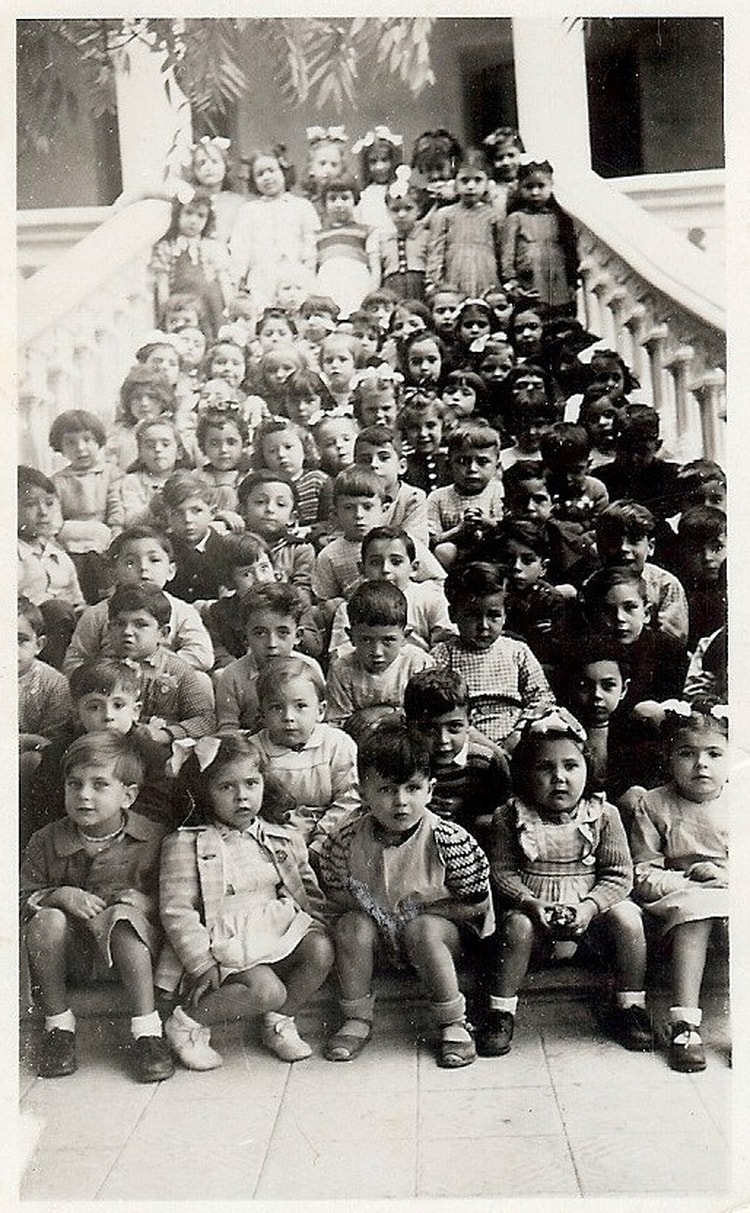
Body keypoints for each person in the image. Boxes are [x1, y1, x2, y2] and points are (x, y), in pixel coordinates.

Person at [478, 707, 651, 1057]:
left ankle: (631, 1006)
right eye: (545, 767)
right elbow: (502, 873)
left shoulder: (603, 815)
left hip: (590, 926)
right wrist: (530, 903)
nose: (559, 777)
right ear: (525, 774)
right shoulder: (510, 816)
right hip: (537, 926)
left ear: (587, 768)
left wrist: (589, 907)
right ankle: (501, 1012)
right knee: (516, 926)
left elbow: (619, 875)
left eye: (571, 766)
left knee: (628, 917)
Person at [319, 719, 493, 1067]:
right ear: (363, 791)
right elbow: (334, 890)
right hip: (381, 931)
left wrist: (421, 908)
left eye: (412, 788)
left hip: (442, 932)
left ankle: (453, 1021)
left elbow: (477, 904)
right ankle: (357, 1015)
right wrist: (368, 908)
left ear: (430, 789)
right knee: (351, 926)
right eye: (386, 790)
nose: (400, 802)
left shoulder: (448, 840)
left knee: (423, 930)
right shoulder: (345, 839)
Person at [156, 734, 333, 1069]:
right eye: (226, 787)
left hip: (274, 927)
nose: (242, 796)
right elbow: (177, 910)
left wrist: (318, 917)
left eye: (251, 783)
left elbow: (304, 886)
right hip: (225, 938)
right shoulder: (186, 843)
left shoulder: (282, 835)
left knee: (320, 949)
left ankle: (278, 1023)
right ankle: (186, 1024)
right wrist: (201, 962)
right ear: (203, 793)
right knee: (267, 991)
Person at [21, 733, 174, 1082]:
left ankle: (148, 1031)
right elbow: (15, 900)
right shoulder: (44, 841)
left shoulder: (153, 839)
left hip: (132, 956)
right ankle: (59, 1027)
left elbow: (180, 899)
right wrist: (57, 895)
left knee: (122, 918)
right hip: (71, 957)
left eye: (100, 785)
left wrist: (148, 903)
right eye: (74, 784)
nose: (84, 795)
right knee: (47, 920)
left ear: (128, 795)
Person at [624, 699, 729, 1072]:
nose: (701, 764)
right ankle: (685, 1023)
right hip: (679, 897)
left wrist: (726, 877)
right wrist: (688, 882)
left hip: (730, 891)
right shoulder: (654, 804)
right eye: (687, 753)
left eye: (714, 754)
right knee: (697, 912)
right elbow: (642, 872)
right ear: (669, 758)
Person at [432, 561, 555, 749]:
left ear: (505, 614)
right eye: (472, 615)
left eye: (494, 615)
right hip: (468, 740)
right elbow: (440, 707)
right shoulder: (443, 655)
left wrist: (519, 732)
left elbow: (541, 697)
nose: (484, 625)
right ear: (453, 614)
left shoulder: (517, 651)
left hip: (517, 737)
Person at [248, 657, 361, 858]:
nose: (288, 717)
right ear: (262, 714)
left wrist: (322, 837)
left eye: (300, 706)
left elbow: (349, 798)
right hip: (274, 832)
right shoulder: (254, 749)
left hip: (329, 830)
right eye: (276, 707)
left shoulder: (337, 744)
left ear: (320, 711)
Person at [64, 525, 214, 674]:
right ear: (113, 573)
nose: (143, 568)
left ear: (171, 571)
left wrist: (152, 667)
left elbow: (202, 654)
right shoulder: (97, 613)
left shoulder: (182, 611)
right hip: (113, 687)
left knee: (200, 679)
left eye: (154, 560)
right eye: (130, 562)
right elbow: (75, 661)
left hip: (162, 684)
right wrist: (110, 672)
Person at [403, 667, 511, 842]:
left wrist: (466, 810)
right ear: (407, 725)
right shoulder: (402, 762)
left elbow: (505, 812)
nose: (443, 740)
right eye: (428, 729)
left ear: (470, 721)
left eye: (454, 727)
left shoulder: (486, 762)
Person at [215, 583, 323, 734]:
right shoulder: (232, 676)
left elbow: (318, 720)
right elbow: (227, 730)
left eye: (283, 633)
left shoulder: (309, 668)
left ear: (298, 636)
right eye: (260, 633)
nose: (271, 644)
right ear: (245, 637)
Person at [325, 581, 434, 726]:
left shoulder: (418, 663)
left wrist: (384, 713)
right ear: (350, 637)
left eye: (388, 640)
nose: (377, 652)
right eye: (366, 639)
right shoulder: (342, 669)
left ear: (405, 637)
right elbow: (337, 722)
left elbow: (430, 712)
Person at [229, 145, 319, 313]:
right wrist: (238, 279)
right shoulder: (248, 210)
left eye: (271, 170)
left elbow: (310, 244)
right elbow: (240, 248)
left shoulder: (301, 206)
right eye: (260, 174)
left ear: (284, 172)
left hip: (295, 278)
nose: (267, 177)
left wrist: (308, 275)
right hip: (261, 277)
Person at [49, 408, 123, 602]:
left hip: (102, 535)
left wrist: (116, 529)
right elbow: (55, 518)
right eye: (71, 442)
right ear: (60, 447)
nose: (80, 448)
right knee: (74, 563)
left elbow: (115, 505)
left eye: (87, 440)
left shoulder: (109, 473)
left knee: (101, 559)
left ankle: (106, 599)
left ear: (98, 441)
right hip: (70, 536)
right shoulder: (57, 480)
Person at [593, 500, 689, 643]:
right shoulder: (593, 584)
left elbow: (672, 639)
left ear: (650, 547)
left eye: (634, 540)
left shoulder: (665, 585)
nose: (623, 548)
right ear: (599, 547)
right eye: (614, 541)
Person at [18, 466, 85, 669]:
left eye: (49, 503)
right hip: (26, 636)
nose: (43, 512)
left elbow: (77, 602)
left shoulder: (58, 556)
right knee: (56, 609)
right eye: (30, 505)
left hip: (65, 630)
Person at [500, 158, 579, 315]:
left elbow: (570, 251)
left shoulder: (559, 218)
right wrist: (512, 284)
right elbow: (506, 255)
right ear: (519, 188)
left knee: (559, 315)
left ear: (550, 186)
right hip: (529, 281)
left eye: (541, 186)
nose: (535, 192)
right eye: (529, 187)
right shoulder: (516, 218)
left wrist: (572, 283)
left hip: (557, 280)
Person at [150, 190, 231, 337]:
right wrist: (164, 315)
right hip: (181, 308)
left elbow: (224, 282)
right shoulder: (168, 247)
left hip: (210, 306)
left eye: (201, 216)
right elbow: (162, 286)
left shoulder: (212, 247)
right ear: (178, 215)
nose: (194, 220)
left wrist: (230, 312)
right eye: (188, 213)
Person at [427, 421, 505, 568]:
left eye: (482, 462)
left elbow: (509, 530)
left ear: (497, 466)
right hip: (455, 559)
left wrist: (487, 523)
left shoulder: (499, 491)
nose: (472, 469)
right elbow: (432, 540)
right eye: (462, 461)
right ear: (448, 465)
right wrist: (460, 529)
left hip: (492, 555)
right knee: (443, 550)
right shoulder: (438, 497)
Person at [426, 148, 502, 297]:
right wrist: (434, 283)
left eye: (478, 180)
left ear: (487, 183)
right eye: (465, 180)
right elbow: (436, 252)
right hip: (454, 276)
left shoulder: (494, 216)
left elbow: (501, 251)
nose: (471, 186)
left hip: (486, 274)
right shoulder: (444, 215)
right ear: (454, 182)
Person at [156, 471, 233, 605]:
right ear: (166, 516)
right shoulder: (161, 549)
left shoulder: (227, 548)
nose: (187, 519)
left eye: (196, 510)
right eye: (177, 513)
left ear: (212, 512)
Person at [315, 176, 379, 318]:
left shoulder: (367, 231)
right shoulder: (317, 235)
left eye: (345, 198)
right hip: (327, 281)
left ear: (355, 200)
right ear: (324, 204)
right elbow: (313, 268)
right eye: (332, 199)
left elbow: (375, 266)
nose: (339, 204)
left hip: (357, 281)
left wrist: (372, 294)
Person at [118, 418, 184, 528]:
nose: (158, 449)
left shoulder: (185, 479)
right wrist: (152, 508)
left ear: (179, 453)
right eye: (150, 446)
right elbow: (130, 522)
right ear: (140, 454)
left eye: (165, 444)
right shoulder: (133, 481)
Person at [378, 169, 429, 301]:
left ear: (419, 209)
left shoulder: (425, 236)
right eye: (395, 209)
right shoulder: (384, 240)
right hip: (392, 287)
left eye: (408, 208)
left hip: (419, 286)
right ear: (387, 211)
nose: (401, 214)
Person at [353, 124, 403, 231]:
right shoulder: (366, 194)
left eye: (384, 160)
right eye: (373, 161)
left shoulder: (400, 190)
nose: (379, 167)